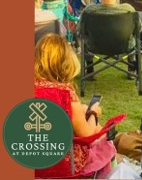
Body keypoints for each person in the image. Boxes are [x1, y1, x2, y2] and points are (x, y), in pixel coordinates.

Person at [35, 33, 117, 178]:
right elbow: (87, 135)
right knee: (103, 136)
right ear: (67, 62)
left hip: (27, 160)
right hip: (61, 166)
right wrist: (93, 114)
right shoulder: (65, 93)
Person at [78, 0, 142, 79]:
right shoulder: (128, 9)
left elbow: (80, 30)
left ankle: (90, 70)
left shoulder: (88, 11)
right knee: (132, 39)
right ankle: (132, 69)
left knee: (85, 40)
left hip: (95, 46)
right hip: (123, 45)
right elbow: (139, 29)